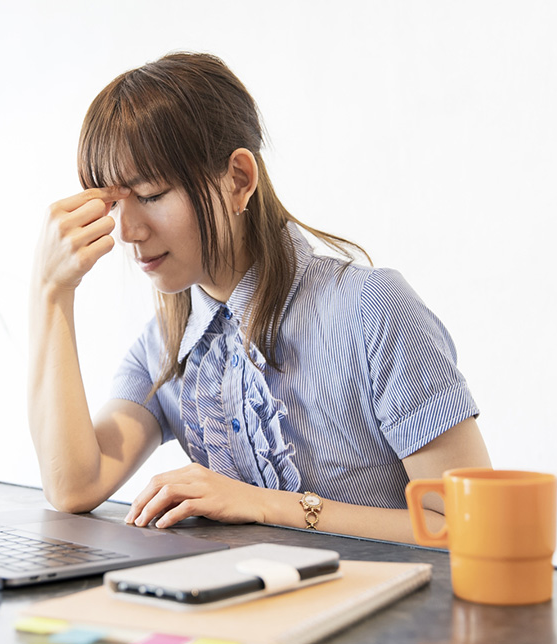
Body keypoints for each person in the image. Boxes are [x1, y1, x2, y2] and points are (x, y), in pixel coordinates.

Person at [28, 52, 491, 544]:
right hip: (250, 612)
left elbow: (470, 527)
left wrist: (266, 505)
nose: (128, 231)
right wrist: (51, 292)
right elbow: (73, 484)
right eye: (115, 203)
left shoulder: (372, 307)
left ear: (239, 180)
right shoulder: (166, 343)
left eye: (152, 194)